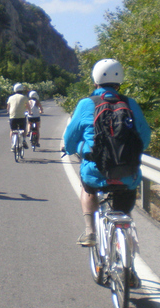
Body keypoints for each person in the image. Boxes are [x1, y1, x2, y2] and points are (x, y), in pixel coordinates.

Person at [62, 59, 151, 246]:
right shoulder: (130, 104)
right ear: (119, 82)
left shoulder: (86, 104)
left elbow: (70, 137)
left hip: (96, 172)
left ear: (95, 81)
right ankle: (124, 244)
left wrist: (72, 150)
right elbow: (145, 136)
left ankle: (90, 232)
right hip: (128, 173)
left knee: (87, 189)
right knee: (124, 208)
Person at [6, 83, 28, 150]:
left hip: (12, 117)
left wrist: (8, 112)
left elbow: (8, 107)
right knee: (24, 129)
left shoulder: (10, 97)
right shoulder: (24, 97)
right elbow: (28, 106)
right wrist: (29, 112)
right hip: (21, 117)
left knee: (12, 130)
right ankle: (24, 140)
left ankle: (12, 144)